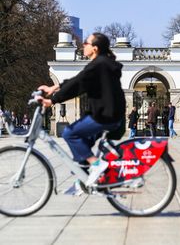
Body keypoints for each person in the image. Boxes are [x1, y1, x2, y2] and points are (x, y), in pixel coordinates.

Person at [37, 32, 126, 188]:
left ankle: (97, 165)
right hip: (109, 115)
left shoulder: (99, 65)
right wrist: (55, 87)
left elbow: (79, 83)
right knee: (82, 144)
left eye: (86, 43)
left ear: (95, 48)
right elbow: (80, 79)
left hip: (104, 116)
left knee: (69, 133)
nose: (83, 45)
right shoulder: (102, 63)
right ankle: (86, 179)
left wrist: (52, 100)